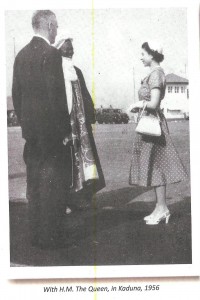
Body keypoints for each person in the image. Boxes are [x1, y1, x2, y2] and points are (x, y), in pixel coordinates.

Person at [12, 10, 72, 248]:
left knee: (34, 186)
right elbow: (55, 97)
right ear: (48, 24)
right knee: (54, 187)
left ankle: (35, 236)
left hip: (32, 135)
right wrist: (65, 132)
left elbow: (16, 96)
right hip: (52, 135)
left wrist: (27, 124)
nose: (56, 30)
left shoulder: (21, 55)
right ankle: (53, 239)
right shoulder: (52, 54)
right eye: (55, 26)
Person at [129, 41, 188, 225]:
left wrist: (136, 104)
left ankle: (162, 208)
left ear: (152, 55)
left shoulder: (156, 74)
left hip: (153, 126)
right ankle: (159, 207)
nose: (141, 57)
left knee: (157, 166)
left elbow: (153, 103)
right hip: (149, 125)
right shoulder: (154, 73)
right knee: (154, 165)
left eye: (143, 54)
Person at [54, 35, 105, 211]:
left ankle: (83, 197)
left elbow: (84, 94)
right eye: (66, 48)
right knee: (66, 162)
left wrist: (89, 115)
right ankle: (66, 201)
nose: (70, 51)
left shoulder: (77, 71)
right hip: (65, 125)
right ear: (58, 48)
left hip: (81, 124)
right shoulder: (55, 70)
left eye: (72, 48)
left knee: (85, 160)